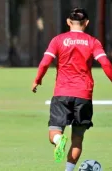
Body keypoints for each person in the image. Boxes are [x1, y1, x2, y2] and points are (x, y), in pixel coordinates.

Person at [31, 7, 112, 171]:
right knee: (78, 138)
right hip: (84, 95)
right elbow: (105, 64)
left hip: (62, 93)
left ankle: (58, 140)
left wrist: (37, 80)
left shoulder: (58, 40)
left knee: (54, 133)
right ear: (87, 23)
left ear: (68, 22)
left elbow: (45, 62)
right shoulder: (93, 42)